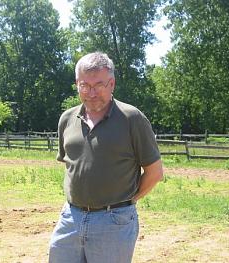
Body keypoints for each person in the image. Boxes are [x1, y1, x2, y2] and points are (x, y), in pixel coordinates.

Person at [49, 52, 163, 263]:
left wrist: (128, 202)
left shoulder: (132, 118)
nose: (92, 93)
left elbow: (155, 172)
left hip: (113, 221)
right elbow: (71, 166)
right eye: (85, 85)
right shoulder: (67, 119)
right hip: (70, 218)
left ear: (112, 84)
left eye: (99, 85)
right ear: (77, 84)